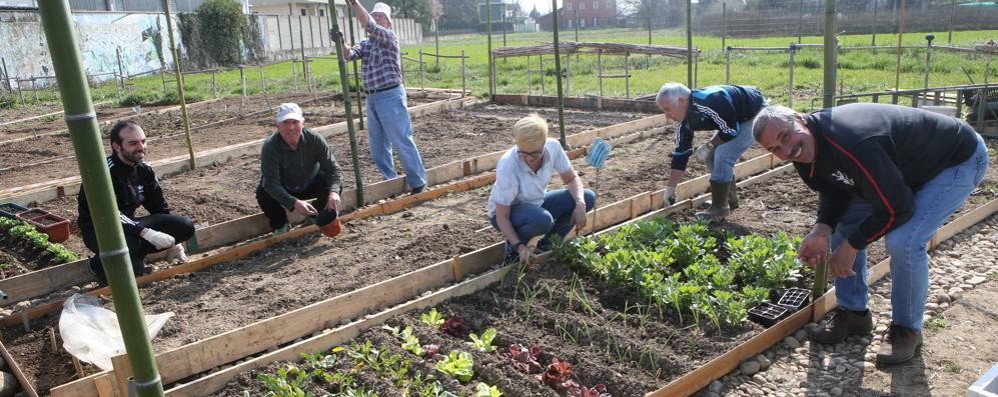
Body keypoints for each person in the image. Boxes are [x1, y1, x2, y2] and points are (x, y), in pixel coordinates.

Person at [753, 103, 989, 365]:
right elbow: (834, 188)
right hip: (899, 168)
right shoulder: (804, 150)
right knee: (844, 222)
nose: (786, 150)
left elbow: (898, 208)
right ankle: (855, 315)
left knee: (904, 241)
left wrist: (852, 245)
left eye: (785, 136)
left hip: (954, 160)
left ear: (800, 119)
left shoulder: (854, 141)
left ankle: (907, 329)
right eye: (774, 148)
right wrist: (822, 229)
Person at [77, 121, 195, 285]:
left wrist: (174, 243)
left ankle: (134, 258)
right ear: (117, 146)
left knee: (185, 226)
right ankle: (98, 266)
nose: (141, 147)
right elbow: (109, 214)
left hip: (128, 226)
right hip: (99, 229)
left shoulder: (144, 169)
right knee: (129, 242)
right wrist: (146, 233)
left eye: (143, 141)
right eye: (133, 143)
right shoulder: (102, 173)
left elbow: (159, 207)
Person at [339, 0, 427, 194]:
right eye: (375, 14)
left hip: (390, 95)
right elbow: (349, 55)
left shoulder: (388, 37)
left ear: (388, 22)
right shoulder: (367, 43)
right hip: (372, 98)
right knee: (378, 147)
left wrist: (353, 3)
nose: (376, 18)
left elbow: (368, 24)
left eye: (380, 16)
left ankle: (418, 181)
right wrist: (341, 42)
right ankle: (391, 181)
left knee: (401, 139)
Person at [487, 114, 596, 263]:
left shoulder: (553, 147)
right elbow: (502, 216)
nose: (530, 158)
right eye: (524, 152)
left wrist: (580, 204)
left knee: (587, 197)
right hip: (509, 212)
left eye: (535, 153)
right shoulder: (508, 166)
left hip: (536, 203)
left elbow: (571, 179)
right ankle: (514, 251)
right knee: (542, 220)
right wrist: (518, 245)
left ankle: (548, 244)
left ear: (544, 143)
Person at [655, 83, 766, 220]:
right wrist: (671, 188)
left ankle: (720, 207)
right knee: (711, 156)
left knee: (723, 154)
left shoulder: (710, 100)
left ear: (682, 101)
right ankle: (728, 200)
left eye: (668, 109)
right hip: (735, 119)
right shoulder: (682, 122)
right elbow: (681, 154)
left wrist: (709, 145)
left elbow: (731, 130)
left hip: (754, 115)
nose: (667, 116)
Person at [257, 103, 343, 236]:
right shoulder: (270, 147)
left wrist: (334, 193)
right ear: (278, 125)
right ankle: (280, 225)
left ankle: (315, 214)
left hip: (310, 181)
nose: (291, 127)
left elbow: (333, 168)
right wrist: (294, 203)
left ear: (302, 123)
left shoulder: (314, 139)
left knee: (332, 184)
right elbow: (271, 183)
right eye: (286, 122)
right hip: (285, 187)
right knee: (264, 191)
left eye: (295, 122)